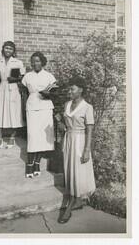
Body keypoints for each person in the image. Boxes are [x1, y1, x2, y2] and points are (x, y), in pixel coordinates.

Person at [56, 76, 96, 224]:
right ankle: (76, 200)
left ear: (81, 90)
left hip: (80, 141)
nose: (69, 91)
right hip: (68, 139)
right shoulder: (67, 104)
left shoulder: (87, 107)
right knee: (69, 170)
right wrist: (61, 124)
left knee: (78, 171)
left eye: (72, 89)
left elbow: (90, 130)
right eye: (69, 89)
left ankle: (71, 204)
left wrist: (87, 150)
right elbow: (65, 123)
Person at [22, 51, 57, 178]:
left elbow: (55, 92)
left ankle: (37, 163)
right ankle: (29, 164)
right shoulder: (27, 77)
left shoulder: (49, 76)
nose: (34, 63)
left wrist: (49, 94)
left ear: (42, 62)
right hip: (32, 107)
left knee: (42, 137)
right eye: (33, 61)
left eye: (37, 61)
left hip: (45, 107)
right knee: (32, 136)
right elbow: (24, 93)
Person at [0, 41, 25, 149]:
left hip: (13, 90)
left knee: (13, 114)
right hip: (2, 89)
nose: (8, 50)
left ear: (13, 51)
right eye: (6, 48)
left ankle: (12, 139)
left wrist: (15, 78)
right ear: (3, 49)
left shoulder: (17, 62)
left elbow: (22, 78)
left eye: (10, 49)